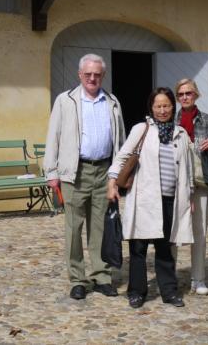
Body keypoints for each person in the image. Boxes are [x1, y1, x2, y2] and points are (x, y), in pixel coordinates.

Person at [44, 53, 125, 300]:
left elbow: (120, 140)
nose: (92, 78)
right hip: (74, 172)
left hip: (104, 172)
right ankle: (78, 279)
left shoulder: (112, 102)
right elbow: (53, 136)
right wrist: (51, 171)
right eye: (88, 74)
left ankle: (101, 276)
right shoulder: (65, 100)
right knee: (74, 227)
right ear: (80, 75)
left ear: (103, 76)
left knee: (100, 227)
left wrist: (119, 174)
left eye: (97, 74)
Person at [107, 87, 194, 309]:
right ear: (152, 108)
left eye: (166, 105)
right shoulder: (141, 129)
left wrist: (189, 194)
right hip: (145, 199)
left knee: (165, 248)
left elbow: (188, 168)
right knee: (138, 247)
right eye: (158, 106)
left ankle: (169, 291)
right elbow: (123, 156)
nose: (163, 110)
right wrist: (112, 182)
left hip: (169, 199)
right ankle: (137, 292)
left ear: (172, 106)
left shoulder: (180, 134)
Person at [175, 78, 208, 296]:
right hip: (175, 184)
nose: (185, 97)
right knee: (173, 233)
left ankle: (198, 278)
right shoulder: (169, 120)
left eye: (189, 93)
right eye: (181, 94)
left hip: (201, 181)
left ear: (196, 95)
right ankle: (171, 278)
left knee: (199, 231)